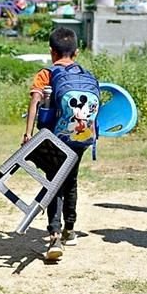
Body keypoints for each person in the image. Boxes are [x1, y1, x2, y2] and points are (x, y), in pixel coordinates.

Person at [23, 27, 90, 261]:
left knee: (54, 180)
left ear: (51, 52)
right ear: (76, 52)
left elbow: (35, 101)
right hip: (80, 137)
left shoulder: (46, 74)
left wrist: (28, 133)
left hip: (54, 138)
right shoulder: (84, 74)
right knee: (71, 180)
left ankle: (54, 234)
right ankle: (70, 228)